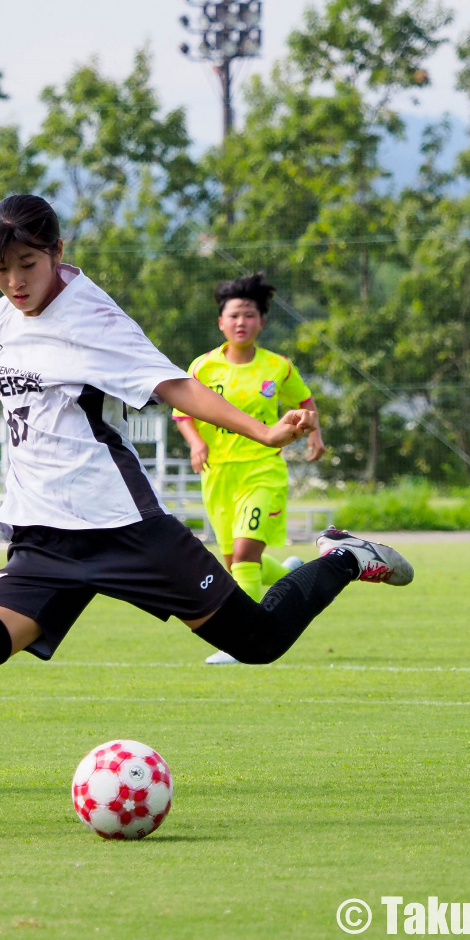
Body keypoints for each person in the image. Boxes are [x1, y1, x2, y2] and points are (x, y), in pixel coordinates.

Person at [0, 194, 414, 840]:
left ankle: (345, 557)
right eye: (1, 268)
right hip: (45, 542)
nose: (15, 281)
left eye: (27, 264)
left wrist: (264, 434)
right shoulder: (10, 312)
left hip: (123, 529)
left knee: (258, 642)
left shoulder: (94, 318)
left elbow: (176, 386)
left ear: (56, 253)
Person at [173, 274, 325, 664]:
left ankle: (242, 641)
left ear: (262, 322)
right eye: (234, 315)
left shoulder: (277, 368)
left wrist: (315, 435)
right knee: (234, 561)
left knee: (242, 557)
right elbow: (183, 411)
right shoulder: (203, 368)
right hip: (219, 474)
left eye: (250, 315)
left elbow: (304, 402)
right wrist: (197, 442)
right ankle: (290, 571)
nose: (242, 322)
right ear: (221, 323)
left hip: (263, 471)